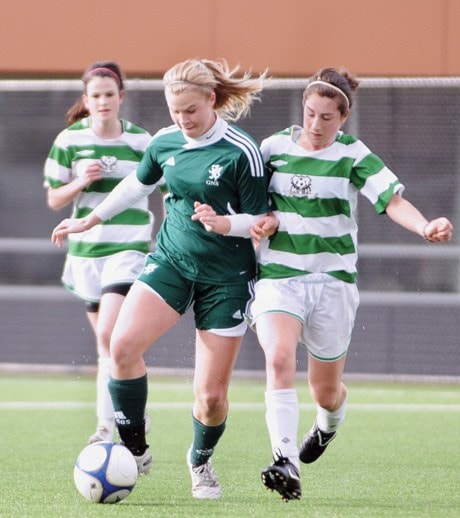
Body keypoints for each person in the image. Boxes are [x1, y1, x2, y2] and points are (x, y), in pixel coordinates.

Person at [51, 58, 269, 499]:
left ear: (212, 100)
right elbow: (136, 185)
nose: (182, 120)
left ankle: (200, 462)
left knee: (209, 399)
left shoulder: (241, 152)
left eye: (191, 110)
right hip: (171, 261)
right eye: (175, 111)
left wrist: (226, 223)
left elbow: (262, 220)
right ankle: (135, 448)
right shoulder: (166, 142)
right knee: (121, 346)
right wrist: (89, 220)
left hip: (226, 277)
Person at [249, 67, 454, 502]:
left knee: (324, 391)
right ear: (301, 108)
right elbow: (250, 200)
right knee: (280, 357)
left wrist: (424, 227)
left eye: (327, 118)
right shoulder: (273, 148)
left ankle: (328, 426)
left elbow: (392, 200)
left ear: (342, 118)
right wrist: (257, 223)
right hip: (281, 278)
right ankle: (284, 460)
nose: (316, 125)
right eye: (310, 114)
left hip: (332, 283)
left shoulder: (354, 154)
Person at [44, 61, 155, 445]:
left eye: (110, 94)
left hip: (128, 248)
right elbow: (55, 199)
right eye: (96, 95)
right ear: (86, 100)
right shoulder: (70, 141)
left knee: (111, 333)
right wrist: (80, 181)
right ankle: (127, 412)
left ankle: (106, 428)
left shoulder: (142, 141)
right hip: (86, 254)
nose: (104, 101)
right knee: (107, 346)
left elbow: (162, 186)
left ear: (121, 97)